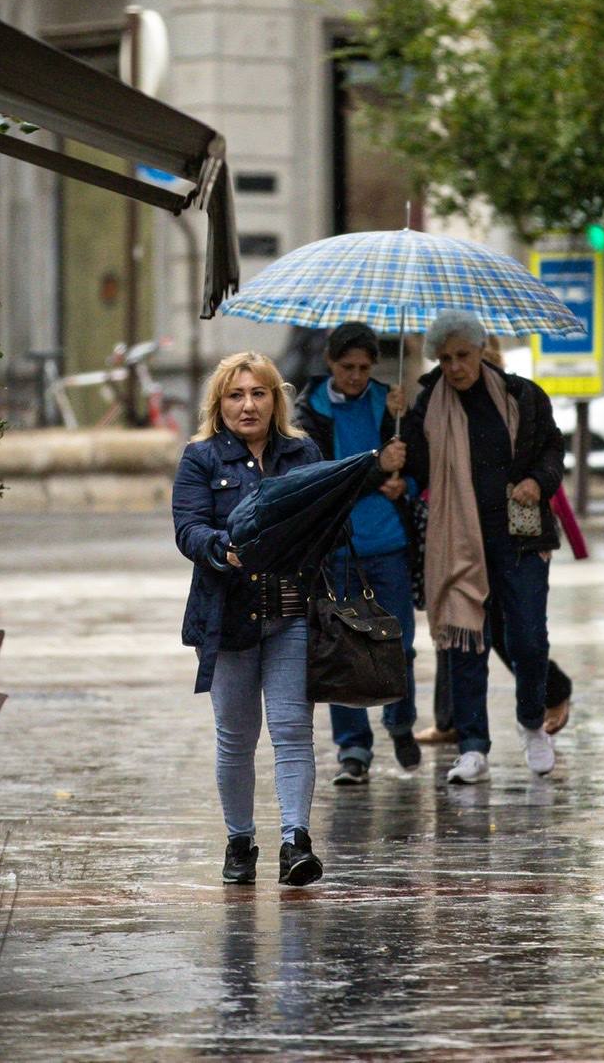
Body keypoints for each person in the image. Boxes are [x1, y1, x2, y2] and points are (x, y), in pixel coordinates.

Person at [174, 351, 402, 886]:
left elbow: (326, 519)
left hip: (293, 611)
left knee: (293, 731)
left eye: (258, 393)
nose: (247, 405)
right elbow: (187, 528)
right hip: (229, 616)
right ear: (219, 403)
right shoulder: (200, 458)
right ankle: (239, 840)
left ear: (276, 399)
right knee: (235, 736)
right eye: (236, 395)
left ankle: (295, 842)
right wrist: (219, 547)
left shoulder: (303, 453)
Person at [401, 310, 565, 784]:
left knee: (529, 640)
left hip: (520, 537)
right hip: (457, 539)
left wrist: (538, 479)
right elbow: (415, 463)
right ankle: (473, 746)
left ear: (479, 351)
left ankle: (532, 721)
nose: (454, 367)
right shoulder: (427, 402)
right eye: (446, 358)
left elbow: (552, 449)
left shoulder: (521, 395)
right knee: (465, 641)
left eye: (463, 356)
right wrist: (397, 425)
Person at [293, 321, 417, 785]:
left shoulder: (390, 403)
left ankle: (400, 721)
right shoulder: (310, 413)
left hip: (388, 543)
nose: (357, 376)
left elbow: (412, 462)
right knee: (343, 649)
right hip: (337, 547)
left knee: (399, 644)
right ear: (330, 364)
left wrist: (407, 480)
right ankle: (353, 747)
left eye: (365, 367)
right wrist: (374, 470)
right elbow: (322, 479)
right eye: (348, 367)